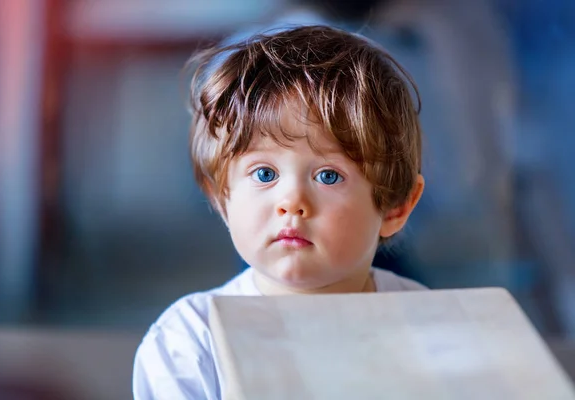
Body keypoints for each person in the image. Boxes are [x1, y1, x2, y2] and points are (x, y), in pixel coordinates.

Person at [133, 25, 426, 399]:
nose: (292, 201)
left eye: (328, 175)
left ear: (396, 206)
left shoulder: (429, 321)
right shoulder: (190, 341)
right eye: (265, 173)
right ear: (223, 198)